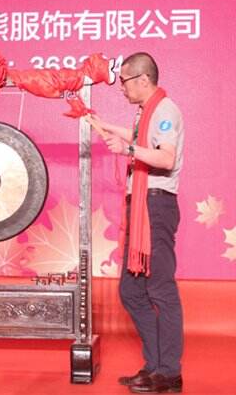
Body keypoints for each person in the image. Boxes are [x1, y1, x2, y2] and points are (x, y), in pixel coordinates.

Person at [91, 53, 184, 393]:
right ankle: (155, 366)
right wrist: (100, 123)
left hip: (155, 207)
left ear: (143, 80)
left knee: (160, 289)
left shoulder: (165, 110)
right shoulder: (145, 113)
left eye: (125, 81)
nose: (121, 88)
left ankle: (169, 373)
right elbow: (138, 140)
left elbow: (166, 157)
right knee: (131, 292)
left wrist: (127, 149)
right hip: (141, 207)